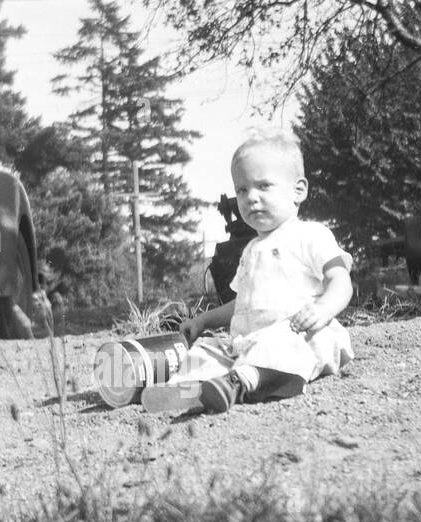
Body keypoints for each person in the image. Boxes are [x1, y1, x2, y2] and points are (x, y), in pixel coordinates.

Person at [141, 129, 355, 414]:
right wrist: (204, 320)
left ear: (298, 190)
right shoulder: (251, 250)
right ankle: (189, 388)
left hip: (303, 334)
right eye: (241, 190)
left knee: (281, 347)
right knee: (206, 352)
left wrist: (324, 309)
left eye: (264, 186)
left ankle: (243, 381)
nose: (251, 198)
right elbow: (242, 303)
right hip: (246, 345)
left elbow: (340, 280)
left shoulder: (310, 234)